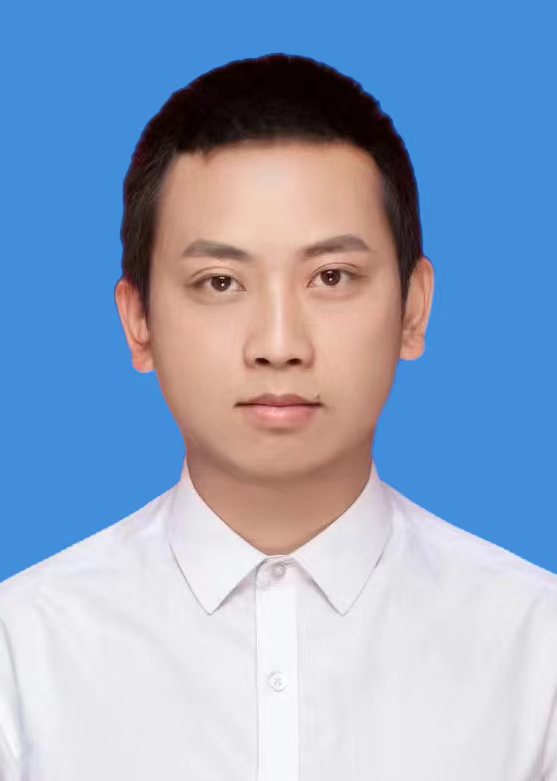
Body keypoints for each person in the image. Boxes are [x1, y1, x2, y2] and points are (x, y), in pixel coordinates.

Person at [0, 52, 555, 781]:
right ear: (138, 322)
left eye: (331, 276)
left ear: (413, 310)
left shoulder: (535, 649)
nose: (279, 344)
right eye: (219, 282)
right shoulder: (22, 654)